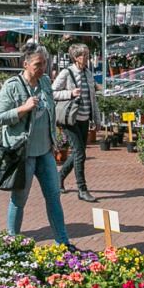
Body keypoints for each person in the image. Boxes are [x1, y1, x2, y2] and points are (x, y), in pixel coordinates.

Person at [0, 47, 71, 246]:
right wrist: (23, 108)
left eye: (44, 64)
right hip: (23, 153)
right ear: (25, 64)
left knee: (54, 196)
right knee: (19, 198)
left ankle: (62, 243)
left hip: (45, 151)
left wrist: (53, 140)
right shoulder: (12, 86)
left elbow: (50, 112)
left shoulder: (45, 82)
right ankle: (12, 242)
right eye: (38, 64)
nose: (42, 68)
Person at [53, 43, 100, 203]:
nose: (86, 58)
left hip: (84, 119)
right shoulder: (67, 73)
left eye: (87, 55)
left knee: (79, 153)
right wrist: (70, 93)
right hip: (70, 119)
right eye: (83, 55)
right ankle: (82, 189)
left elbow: (93, 99)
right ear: (75, 57)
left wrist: (97, 120)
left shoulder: (88, 73)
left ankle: (59, 177)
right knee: (80, 153)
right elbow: (52, 92)